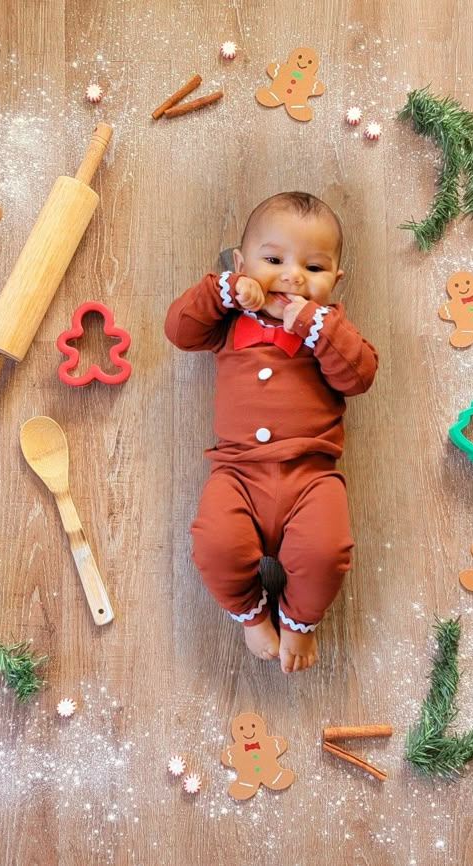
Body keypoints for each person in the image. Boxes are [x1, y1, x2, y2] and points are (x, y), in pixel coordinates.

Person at [164, 192, 378, 673]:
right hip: (237, 473)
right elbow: (179, 331)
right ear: (243, 263)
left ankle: (300, 620)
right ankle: (252, 614)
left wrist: (308, 322)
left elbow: (359, 376)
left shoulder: (329, 328)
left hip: (311, 476)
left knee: (327, 551)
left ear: (336, 280)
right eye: (274, 260)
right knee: (213, 546)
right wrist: (224, 291)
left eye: (315, 267)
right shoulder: (228, 322)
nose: (292, 276)